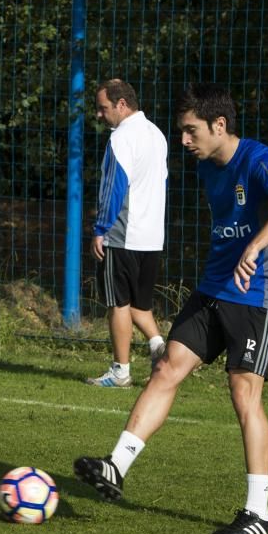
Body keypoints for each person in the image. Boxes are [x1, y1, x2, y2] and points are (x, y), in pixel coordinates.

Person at [74, 83, 268, 534]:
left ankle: (258, 513)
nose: (183, 140)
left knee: (244, 395)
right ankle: (116, 466)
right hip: (214, 288)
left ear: (219, 125)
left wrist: (255, 247)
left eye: (190, 130)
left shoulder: (258, 159)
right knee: (166, 368)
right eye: (182, 131)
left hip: (259, 294)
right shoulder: (208, 168)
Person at [87, 79, 168, 388]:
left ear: (121, 105)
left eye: (102, 108)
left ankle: (120, 371)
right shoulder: (156, 134)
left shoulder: (121, 137)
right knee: (139, 304)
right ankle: (159, 346)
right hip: (152, 235)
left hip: (123, 234)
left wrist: (101, 229)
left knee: (118, 303)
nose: (99, 114)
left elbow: (113, 187)